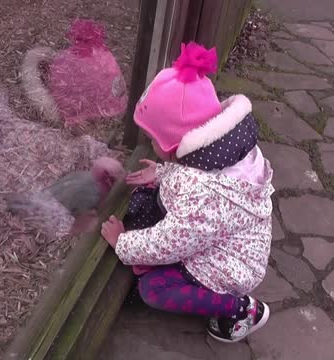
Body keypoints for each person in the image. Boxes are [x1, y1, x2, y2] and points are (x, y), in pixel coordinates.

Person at [100, 42, 275, 343]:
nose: (151, 145)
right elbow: (195, 176)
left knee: (153, 290)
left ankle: (239, 309)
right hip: (219, 240)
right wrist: (162, 172)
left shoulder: (203, 193)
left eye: (153, 139)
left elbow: (170, 240)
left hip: (227, 268)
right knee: (149, 201)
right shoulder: (222, 151)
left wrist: (122, 243)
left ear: (171, 145)